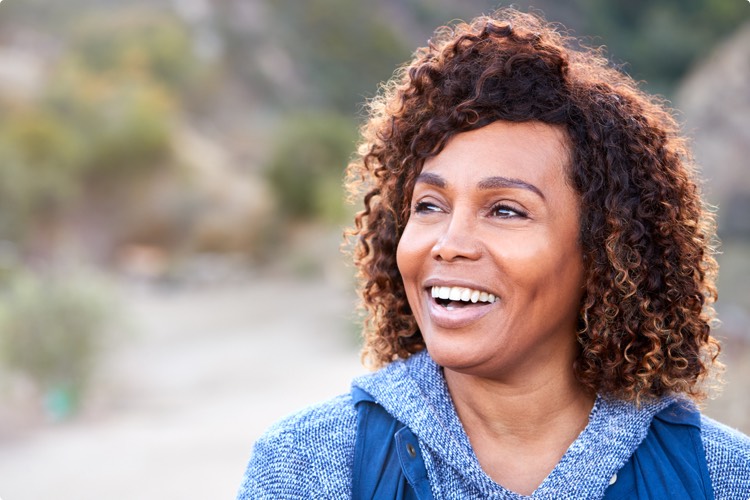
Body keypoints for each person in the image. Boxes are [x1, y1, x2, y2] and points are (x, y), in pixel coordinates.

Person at [236, 8, 750, 499]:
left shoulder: (725, 478)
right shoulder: (305, 467)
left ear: (607, 250)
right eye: (430, 204)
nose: (449, 243)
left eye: (505, 210)